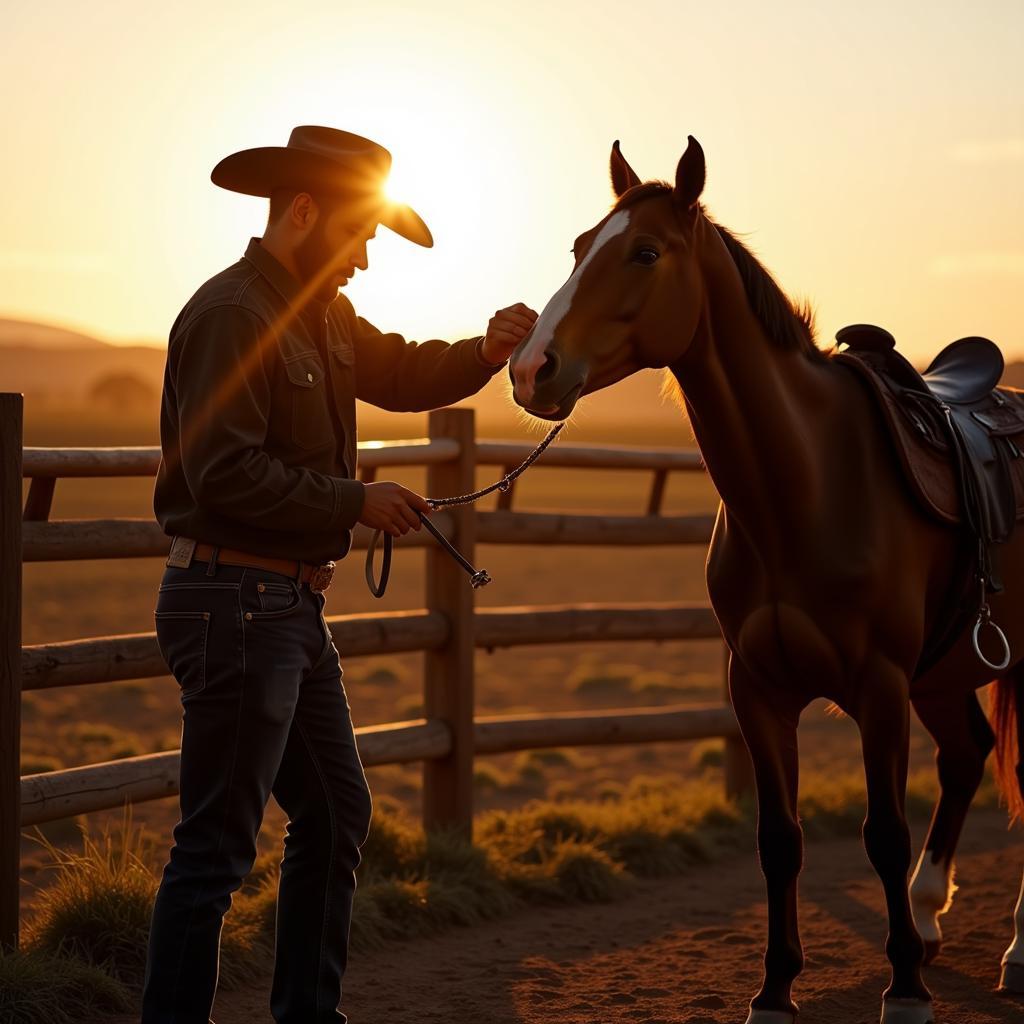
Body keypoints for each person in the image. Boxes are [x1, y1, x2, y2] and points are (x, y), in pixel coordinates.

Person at [142, 125, 537, 1024]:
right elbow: (223, 473)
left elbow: (398, 369)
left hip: (279, 607)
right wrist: (352, 502)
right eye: (358, 234)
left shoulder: (321, 313)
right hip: (236, 606)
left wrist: (483, 351)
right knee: (215, 852)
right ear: (305, 211)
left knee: (334, 813)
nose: (363, 258)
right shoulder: (232, 316)